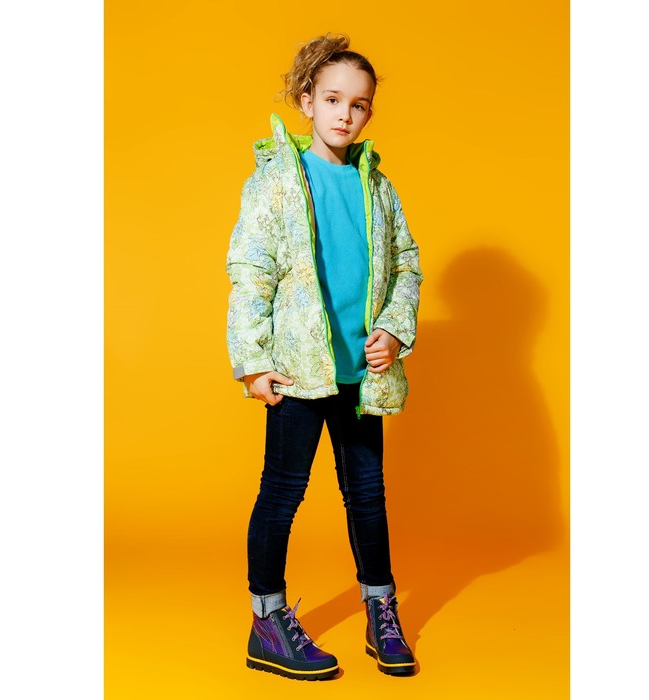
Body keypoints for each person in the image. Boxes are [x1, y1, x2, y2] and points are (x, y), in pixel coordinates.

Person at [226, 32, 423, 680]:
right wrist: (253, 361)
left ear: (369, 113)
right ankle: (267, 621)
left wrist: (394, 330)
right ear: (306, 100)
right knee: (282, 493)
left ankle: (380, 610)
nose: (345, 113)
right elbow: (250, 271)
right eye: (333, 99)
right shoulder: (276, 182)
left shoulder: (379, 188)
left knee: (367, 495)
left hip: (361, 375)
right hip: (297, 370)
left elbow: (406, 265)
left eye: (359, 104)